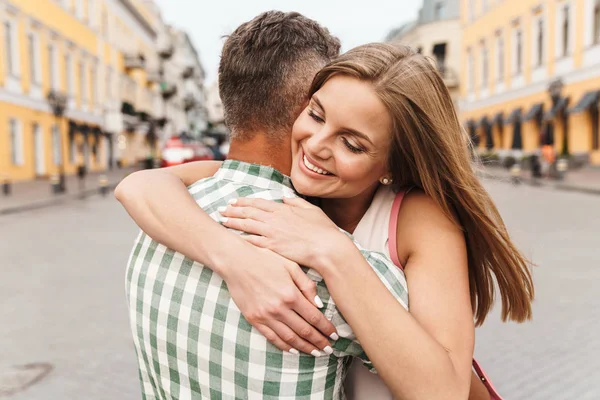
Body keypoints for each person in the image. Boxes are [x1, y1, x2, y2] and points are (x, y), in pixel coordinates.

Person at [118, 40, 534, 399]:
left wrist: (334, 252)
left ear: (391, 164)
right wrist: (236, 261)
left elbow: (445, 391)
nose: (315, 145)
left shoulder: (419, 219)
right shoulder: (294, 186)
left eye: (352, 144)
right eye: (316, 115)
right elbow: (141, 187)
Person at [118, 12, 411, 400]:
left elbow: (139, 185)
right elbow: (442, 382)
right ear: (311, 107)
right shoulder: (336, 268)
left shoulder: (155, 228)